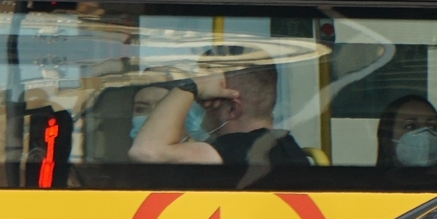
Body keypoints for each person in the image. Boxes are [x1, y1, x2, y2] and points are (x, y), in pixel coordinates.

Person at [129, 59, 312, 169]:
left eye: (204, 99)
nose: (197, 106)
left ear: (232, 110)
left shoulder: (242, 150)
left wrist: (190, 86)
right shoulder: (281, 147)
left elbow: (146, 152)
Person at [376, 95, 437, 167]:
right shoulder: (372, 178)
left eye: (432, 127)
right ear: (388, 136)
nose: (425, 134)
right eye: (411, 126)